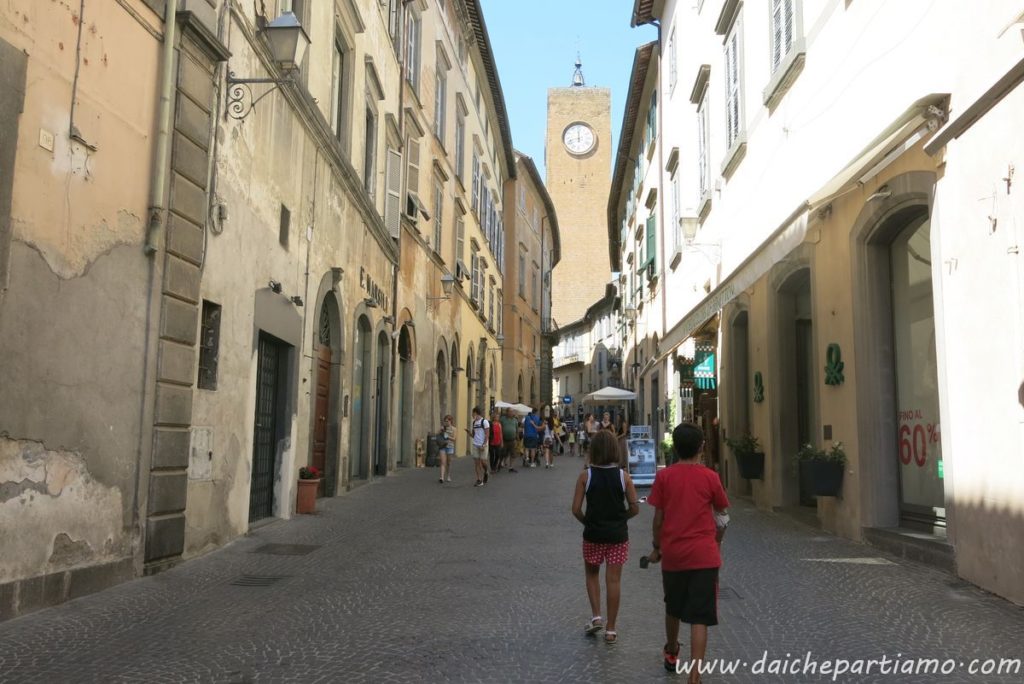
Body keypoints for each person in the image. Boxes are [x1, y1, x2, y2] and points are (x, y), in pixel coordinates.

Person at [645, 423, 730, 680]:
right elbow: (723, 515)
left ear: (675, 448)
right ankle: (695, 674)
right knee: (700, 616)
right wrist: (716, 542)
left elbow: (658, 519)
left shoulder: (664, 477)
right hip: (704, 556)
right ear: (701, 447)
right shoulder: (710, 477)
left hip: (674, 555)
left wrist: (657, 548)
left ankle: (672, 651)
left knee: (673, 607)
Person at [571, 430, 640, 645]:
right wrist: (622, 519)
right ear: (613, 450)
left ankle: (596, 616)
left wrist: (588, 522)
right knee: (614, 580)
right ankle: (611, 629)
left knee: (592, 575)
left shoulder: (586, 476)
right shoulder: (623, 477)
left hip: (593, 534)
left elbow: (575, 509)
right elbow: (635, 507)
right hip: (617, 536)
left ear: (594, 451)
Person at [466, 407, 490, 487]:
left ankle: (486, 471)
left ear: (476, 413)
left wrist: (483, 445)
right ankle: (479, 479)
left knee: (483, 462)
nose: (472, 415)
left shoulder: (485, 422)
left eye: (473, 413)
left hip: (483, 445)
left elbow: (487, 434)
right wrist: (469, 433)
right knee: (476, 463)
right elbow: (474, 435)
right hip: (475, 445)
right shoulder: (474, 423)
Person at [439, 415, 455, 484]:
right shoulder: (443, 428)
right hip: (442, 446)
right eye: (445, 421)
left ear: (450, 421)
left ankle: (448, 475)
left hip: (450, 447)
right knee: (443, 462)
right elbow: (438, 435)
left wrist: (448, 436)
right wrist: (441, 431)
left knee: (448, 463)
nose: (446, 422)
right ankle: (442, 477)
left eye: (447, 421)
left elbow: (454, 439)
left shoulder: (454, 429)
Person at [488, 409, 504, 474]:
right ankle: (492, 468)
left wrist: (502, 442)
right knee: (492, 455)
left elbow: (501, 433)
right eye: (496, 417)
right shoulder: (490, 424)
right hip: (491, 441)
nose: (497, 418)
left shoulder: (499, 424)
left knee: (497, 455)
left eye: (498, 417)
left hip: (498, 441)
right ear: (493, 417)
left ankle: (494, 465)